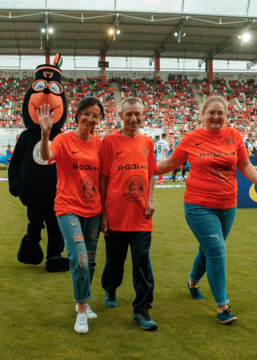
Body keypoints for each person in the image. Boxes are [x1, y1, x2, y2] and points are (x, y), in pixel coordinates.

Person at [156, 96, 257, 324]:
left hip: (228, 205)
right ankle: (222, 307)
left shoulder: (234, 135)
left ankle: (192, 282)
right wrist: (139, 169)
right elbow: (170, 164)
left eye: (220, 113)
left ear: (226, 115)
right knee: (217, 251)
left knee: (207, 249)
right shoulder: (191, 138)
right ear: (202, 114)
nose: (216, 117)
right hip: (198, 206)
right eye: (211, 112)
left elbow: (245, 164)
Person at [39, 96, 103, 334]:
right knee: (79, 258)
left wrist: (104, 212)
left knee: (92, 260)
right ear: (77, 115)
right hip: (68, 208)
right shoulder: (63, 139)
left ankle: (83, 303)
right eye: (87, 113)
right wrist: (45, 134)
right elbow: (46, 157)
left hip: (94, 210)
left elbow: (103, 180)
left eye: (96, 116)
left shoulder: (100, 144)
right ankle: (82, 309)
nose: (90, 119)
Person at [100, 96, 158, 331]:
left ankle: (142, 310)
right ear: (121, 116)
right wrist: (103, 213)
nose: (133, 118)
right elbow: (103, 179)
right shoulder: (109, 142)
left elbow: (151, 174)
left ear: (143, 115)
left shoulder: (147, 142)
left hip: (141, 216)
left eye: (137, 114)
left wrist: (150, 199)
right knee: (115, 261)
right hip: (115, 216)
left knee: (142, 262)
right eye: (129, 114)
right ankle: (110, 287)